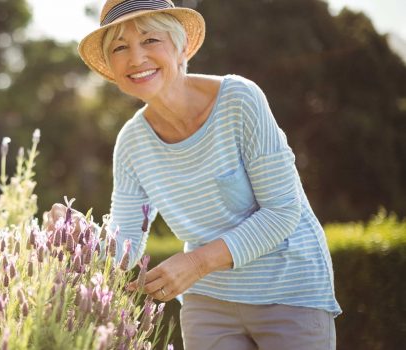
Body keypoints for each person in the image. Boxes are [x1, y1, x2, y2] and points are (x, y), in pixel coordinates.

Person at [45, 0, 341, 349]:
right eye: (120, 48)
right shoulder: (131, 143)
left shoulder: (239, 100)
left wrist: (196, 263)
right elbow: (125, 244)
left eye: (150, 40)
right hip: (208, 305)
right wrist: (81, 237)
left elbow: (282, 211)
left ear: (181, 45)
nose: (136, 58)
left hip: (289, 290)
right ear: (111, 66)